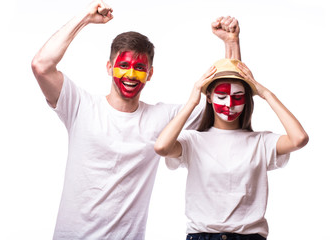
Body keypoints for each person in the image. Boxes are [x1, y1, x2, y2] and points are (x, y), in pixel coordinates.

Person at [31, 0, 242, 238]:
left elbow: (228, 108)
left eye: (139, 68)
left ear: (150, 73)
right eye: (123, 65)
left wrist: (231, 44)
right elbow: (41, 65)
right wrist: (85, 19)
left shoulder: (161, 117)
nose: (131, 74)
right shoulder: (80, 106)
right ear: (109, 67)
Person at [154, 59, 309, 240]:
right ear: (209, 98)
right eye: (221, 96)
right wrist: (192, 102)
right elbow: (162, 147)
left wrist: (265, 93)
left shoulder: (261, 142)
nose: (229, 104)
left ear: (246, 99)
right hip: (202, 236)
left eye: (238, 97)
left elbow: (299, 139)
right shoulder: (193, 140)